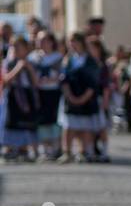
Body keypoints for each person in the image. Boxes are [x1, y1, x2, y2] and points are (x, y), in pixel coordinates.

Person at [58, 32, 101, 163]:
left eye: (74, 41)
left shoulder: (90, 61)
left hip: (86, 98)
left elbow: (93, 83)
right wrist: (69, 96)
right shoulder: (68, 60)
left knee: (85, 126)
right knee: (69, 126)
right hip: (70, 97)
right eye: (70, 41)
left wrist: (83, 98)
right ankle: (67, 152)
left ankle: (84, 152)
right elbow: (64, 80)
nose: (72, 44)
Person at [0, 37, 38, 162]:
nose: (15, 50)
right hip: (13, 95)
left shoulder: (32, 61)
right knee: (11, 123)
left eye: (19, 47)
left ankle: (24, 148)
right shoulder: (8, 62)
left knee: (25, 122)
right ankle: (10, 148)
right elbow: (5, 80)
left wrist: (29, 68)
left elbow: (36, 82)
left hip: (27, 95)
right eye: (13, 47)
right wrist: (18, 68)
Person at [32, 31, 63, 161]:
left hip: (54, 92)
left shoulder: (58, 57)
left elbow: (61, 75)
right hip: (39, 93)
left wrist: (50, 80)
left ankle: (56, 148)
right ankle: (44, 149)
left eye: (44, 40)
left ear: (51, 41)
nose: (41, 43)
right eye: (39, 40)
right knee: (42, 121)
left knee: (54, 120)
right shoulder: (33, 57)